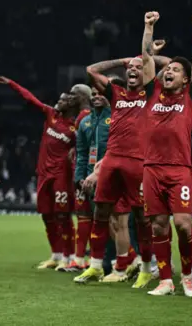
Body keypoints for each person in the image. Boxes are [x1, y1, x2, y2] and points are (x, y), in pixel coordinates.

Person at [74, 37, 171, 288]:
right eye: (130, 68)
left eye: (139, 68)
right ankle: (95, 267)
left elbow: (170, 64)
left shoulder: (151, 93)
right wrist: (123, 60)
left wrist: (149, 57)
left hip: (139, 161)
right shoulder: (116, 92)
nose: (133, 70)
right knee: (101, 212)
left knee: (141, 217)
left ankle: (147, 269)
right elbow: (90, 70)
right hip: (112, 159)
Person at [141, 11, 192, 298]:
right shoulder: (153, 92)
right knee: (157, 225)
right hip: (152, 168)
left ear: (185, 80)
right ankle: (166, 280)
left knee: (181, 224)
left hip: (180, 169)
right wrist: (148, 27)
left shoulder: (190, 98)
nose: (169, 72)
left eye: (176, 71)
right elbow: (146, 58)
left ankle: (188, 276)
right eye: (167, 70)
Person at [0, 75, 84, 270]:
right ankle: (56, 254)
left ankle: (69, 257)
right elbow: (30, 98)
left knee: (63, 216)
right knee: (46, 215)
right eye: (58, 99)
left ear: (70, 105)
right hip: (43, 173)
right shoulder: (51, 115)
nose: (57, 103)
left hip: (62, 175)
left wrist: (75, 150)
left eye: (62, 100)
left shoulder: (75, 127)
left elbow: (83, 147)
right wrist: (12, 83)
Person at [70, 85, 112, 272]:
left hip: (112, 175)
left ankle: (120, 261)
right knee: (99, 220)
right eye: (93, 95)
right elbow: (81, 153)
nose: (96, 98)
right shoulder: (85, 122)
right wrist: (79, 177)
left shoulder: (116, 118)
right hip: (89, 179)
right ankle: (101, 262)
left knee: (118, 222)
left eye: (100, 94)